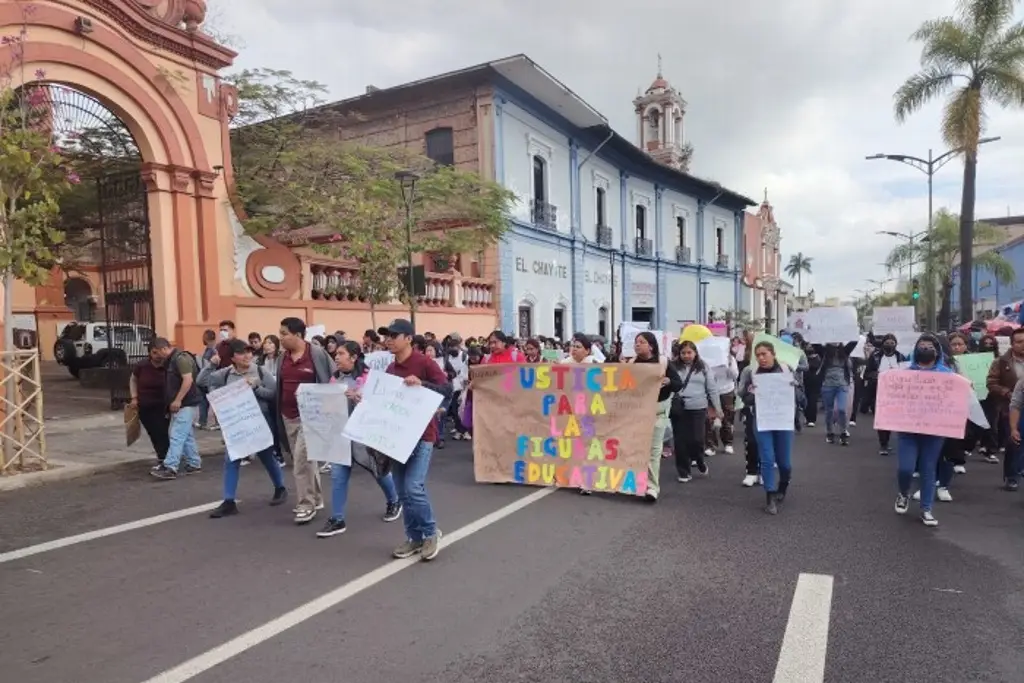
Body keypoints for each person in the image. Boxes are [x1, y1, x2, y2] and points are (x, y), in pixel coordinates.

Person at [375, 319, 450, 561]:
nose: (388, 340)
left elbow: (446, 389)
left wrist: (422, 384)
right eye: (387, 336)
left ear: (408, 338)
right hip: (397, 437)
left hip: (422, 436)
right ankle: (414, 538)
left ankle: (430, 533)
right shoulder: (389, 370)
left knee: (413, 487)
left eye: (394, 335)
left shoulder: (424, 362)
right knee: (402, 491)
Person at [317, 341, 402, 537]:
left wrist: (358, 399)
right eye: (336, 354)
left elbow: (382, 404)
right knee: (338, 476)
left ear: (354, 357)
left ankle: (394, 500)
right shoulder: (335, 378)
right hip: (342, 435)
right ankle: (337, 519)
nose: (336, 357)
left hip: (365, 436)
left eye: (340, 354)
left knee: (378, 472)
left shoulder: (370, 377)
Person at [198, 339, 288, 517]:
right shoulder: (225, 374)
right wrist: (211, 365)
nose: (247, 356)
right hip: (236, 425)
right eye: (242, 352)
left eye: (249, 351)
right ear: (232, 357)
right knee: (232, 459)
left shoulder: (261, 372)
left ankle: (280, 487)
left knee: (266, 456)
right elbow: (201, 381)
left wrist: (256, 388)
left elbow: (274, 394)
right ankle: (229, 501)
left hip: (258, 422)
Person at [273, 317, 336, 524]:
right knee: (305, 460)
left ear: (298, 335)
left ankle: (305, 504)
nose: (280, 338)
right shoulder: (282, 358)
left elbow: (332, 378)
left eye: (284, 334)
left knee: (301, 461)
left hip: (310, 417)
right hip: (287, 415)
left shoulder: (316, 354)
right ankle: (316, 498)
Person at [894, 333, 954, 527]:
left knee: (929, 469)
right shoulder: (904, 373)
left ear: (937, 351)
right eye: (922, 345)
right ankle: (904, 493)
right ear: (915, 350)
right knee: (906, 468)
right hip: (908, 430)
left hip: (935, 431)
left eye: (930, 346)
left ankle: (926, 509)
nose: (926, 348)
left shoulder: (947, 374)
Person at [737, 340, 797, 515]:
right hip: (762, 419)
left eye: (764, 354)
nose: (761, 358)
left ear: (773, 354)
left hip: (783, 421)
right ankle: (770, 495)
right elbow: (743, 396)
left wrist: (794, 388)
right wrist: (752, 393)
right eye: (758, 355)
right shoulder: (751, 372)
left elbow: (800, 396)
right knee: (767, 458)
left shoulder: (786, 370)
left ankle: (783, 484)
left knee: (784, 462)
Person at [629, 331, 682, 502]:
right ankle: (635, 483)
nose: (637, 345)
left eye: (641, 342)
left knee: (653, 450)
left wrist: (668, 381)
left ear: (651, 345)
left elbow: (678, 384)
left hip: (658, 411)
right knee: (636, 449)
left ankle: (652, 487)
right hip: (637, 411)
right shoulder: (631, 363)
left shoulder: (663, 362)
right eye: (636, 342)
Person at [149, 338, 203, 480]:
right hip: (185, 403)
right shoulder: (173, 360)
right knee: (186, 435)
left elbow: (188, 380)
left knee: (176, 435)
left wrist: (178, 400)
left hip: (185, 403)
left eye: (156, 352)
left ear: (162, 349)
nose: (156, 356)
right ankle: (194, 462)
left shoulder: (180, 359)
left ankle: (170, 466)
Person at [668, 340, 722, 483]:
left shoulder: (703, 367)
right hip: (678, 407)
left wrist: (718, 408)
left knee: (697, 439)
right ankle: (683, 471)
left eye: (689, 352)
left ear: (695, 353)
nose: (686, 355)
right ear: (678, 354)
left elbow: (712, 388)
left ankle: (699, 460)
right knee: (680, 441)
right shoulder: (672, 366)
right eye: (683, 353)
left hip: (698, 407)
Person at [989, 327, 1024, 489]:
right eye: (1019, 342)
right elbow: (991, 383)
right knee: (1013, 441)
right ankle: (1011, 476)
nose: (1023, 345)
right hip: (1010, 408)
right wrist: (1007, 392)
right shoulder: (1001, 362)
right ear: (1012, 344)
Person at [864, 333, 905, 456]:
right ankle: (884, 443)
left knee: (893, 419)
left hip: (896, 393)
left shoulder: (901, 357)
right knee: (882, 419)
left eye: (892, 343)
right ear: (882, 344)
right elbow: (867, 373)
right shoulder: (875, 356)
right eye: (887, 343)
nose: (889, 345)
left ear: (896, 345)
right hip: (879, 391)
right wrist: (876, 375)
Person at [129, 345, 170, 466]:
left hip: (163, 405)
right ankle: (162, 456)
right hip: (145, 405)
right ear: (149, 353)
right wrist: (134, 397)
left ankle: (167, 457)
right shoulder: (142, 366)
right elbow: (133, 380)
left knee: (163, 432)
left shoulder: (168, 366)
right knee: (154, 432)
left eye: (159, 352)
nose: (157, 356)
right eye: (154, 353)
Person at [812, 340, 857, 446]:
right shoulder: (824, 352)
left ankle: (843, 432)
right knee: (829, 411)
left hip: (842, 385)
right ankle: (829, 432)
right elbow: (815, 342)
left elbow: (854, 341)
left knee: (842, 409)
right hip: (828, 385)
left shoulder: (845, 351)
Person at [195, 329, 219, 431]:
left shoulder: (213, 351)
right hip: (206, 378)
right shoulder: (208, 350)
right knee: (204, 400)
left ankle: (216, 422)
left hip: (210, 378)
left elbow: (210, 365)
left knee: (214, 400)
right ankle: (202, 421)